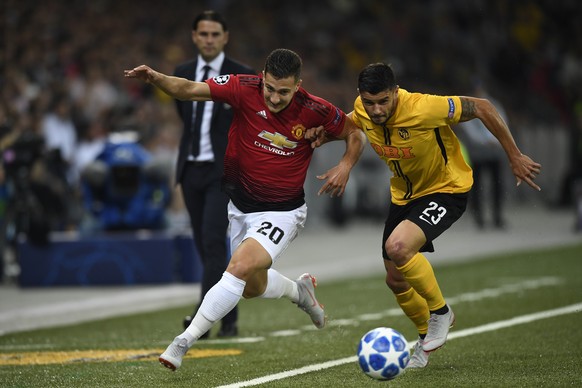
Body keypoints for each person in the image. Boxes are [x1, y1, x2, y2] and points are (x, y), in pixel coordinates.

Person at [124, 48, 366, 371]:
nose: (275, 97)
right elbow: (188, 89)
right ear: (263, 77)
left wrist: (346, 165)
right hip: (240, 208)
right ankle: (300, 291)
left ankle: (182, 342)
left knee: (237, 267)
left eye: (284, 92)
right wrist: (156, 78)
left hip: (283, 210)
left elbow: (355, 133)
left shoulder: (314, 109)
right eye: (270, 88)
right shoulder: (243, 87)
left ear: (298, 86)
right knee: (251, 287)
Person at [308, 63, 541, 369]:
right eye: (369, 102)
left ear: (395, 92)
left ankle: (441, 313)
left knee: (399, 247)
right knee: (395, 279)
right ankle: (424, 339)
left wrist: (513, 155)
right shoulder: (362, 110)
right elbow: (353, 124)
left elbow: (482, 107)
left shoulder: (423, 107)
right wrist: (321, 136)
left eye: (383, 101)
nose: (376, 110)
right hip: (404, 196)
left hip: (446, 189)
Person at [173, 10, 255, 338]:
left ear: (225, 37)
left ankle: (200, 321)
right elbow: (185, 116)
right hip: (190, 170)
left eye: (214, 34)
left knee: (211, 244)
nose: (208, 40)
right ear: (194, 36)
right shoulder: (182, 73)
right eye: (203, 34)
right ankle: (229, 318)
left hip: (222, 174)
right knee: (206, 247)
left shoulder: (242, 75)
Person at [456, 82, 508, 229]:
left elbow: (502, 122)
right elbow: (470, 129)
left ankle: (497, 216)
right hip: (478, 152)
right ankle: (479, 218)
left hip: (493, 151)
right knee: (477, 186)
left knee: (497, 185)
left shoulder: (493, 104)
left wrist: (493, 140)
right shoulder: (468, 105)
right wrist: (487, 141)